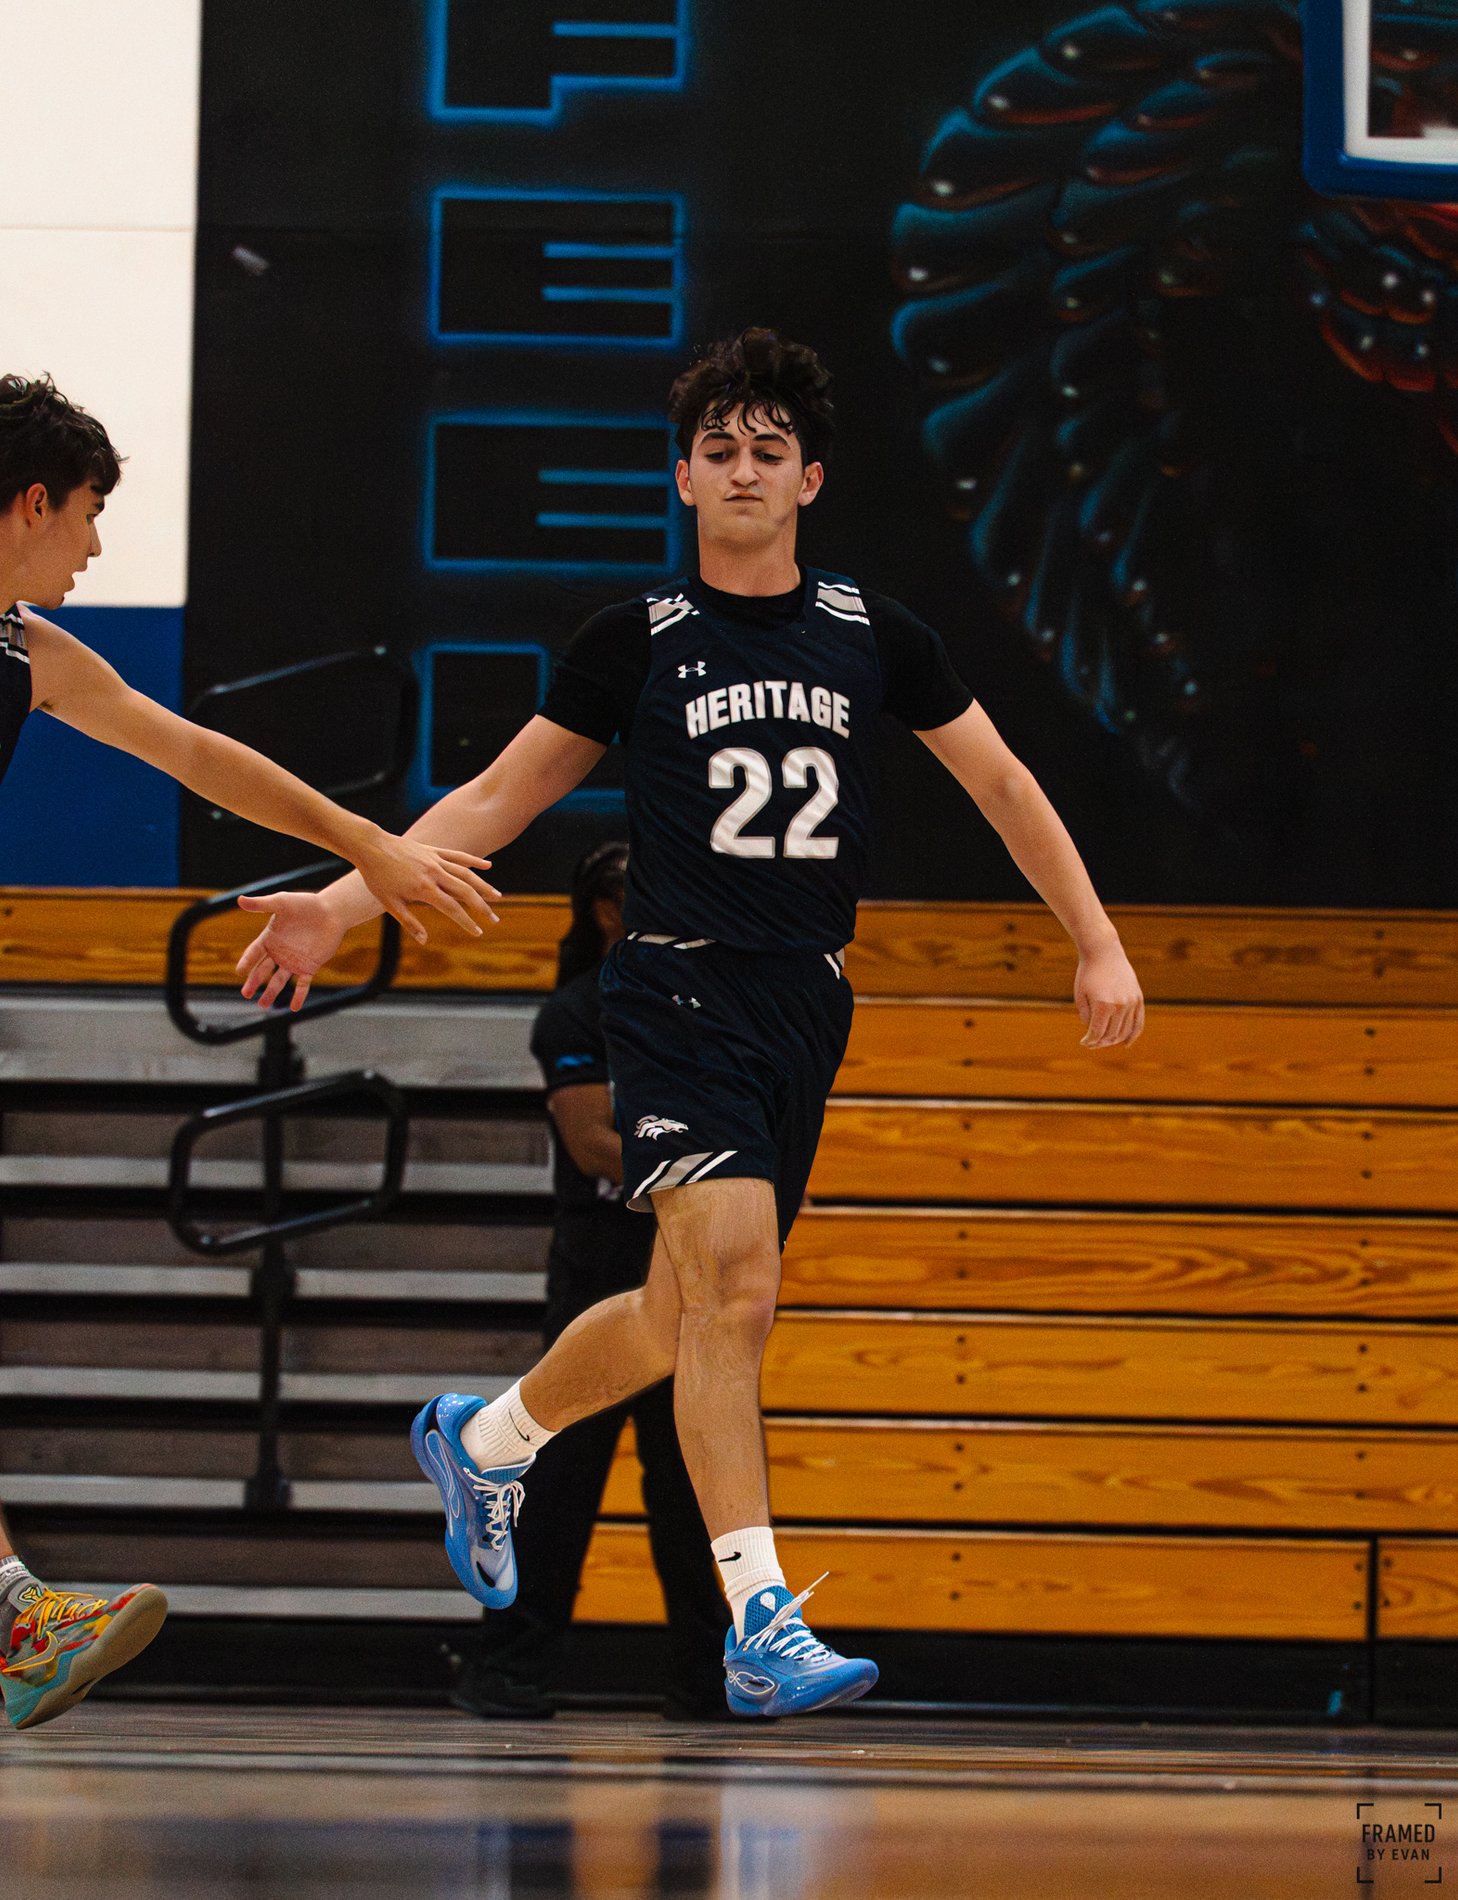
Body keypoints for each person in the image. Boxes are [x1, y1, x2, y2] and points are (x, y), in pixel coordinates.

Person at [234, 327, 1147, 1719]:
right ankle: (759, 1617)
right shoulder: (635, 640)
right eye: (717, 449)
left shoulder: (874, 635)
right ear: (681, 478)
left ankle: (490, 1438)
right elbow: (492, 801)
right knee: (737, 1294)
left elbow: (1005, 785)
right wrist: (343, 905)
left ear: (810, 479)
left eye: (768, 450)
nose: (742, 469)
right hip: (673, 989)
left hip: (805, 997)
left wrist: (1096, 937)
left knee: (677, 1316)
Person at [0, 372, 499, 1730]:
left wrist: (367, 845)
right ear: (33, 502)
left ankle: (11, 1612)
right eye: (88, 514)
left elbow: (198, 754)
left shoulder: (30, 653)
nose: (95, 545)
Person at [451, 841, 728, 1721]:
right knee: (559, 1487)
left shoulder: (704, 1006)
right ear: (608, 910)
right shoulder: (575, 1015)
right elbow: (588, 1142)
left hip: (685, 1276)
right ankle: (507, 1668)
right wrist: (704, 1172)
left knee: (692, 1489)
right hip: (599, 1276)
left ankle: (708, 1679)